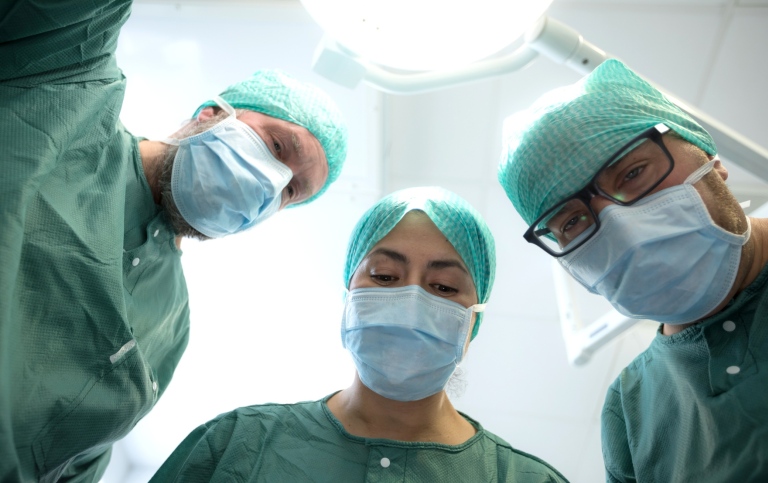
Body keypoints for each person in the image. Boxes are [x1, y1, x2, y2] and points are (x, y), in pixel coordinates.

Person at [0, 1, 347, 481]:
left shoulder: (169, 326)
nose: (271, 183)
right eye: (275, 146)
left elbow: (73, 463)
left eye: (290, 191)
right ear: (213, 113)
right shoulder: (71, 93)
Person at [149, 187, 569, 483]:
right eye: (385, 275)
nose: (410, 301)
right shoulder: (236, 444)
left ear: (472, 322)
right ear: (349, 295)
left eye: (443, 288)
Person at [497, 59, 768, 482]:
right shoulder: (631, 410)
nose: (620, 226)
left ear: (708, 157)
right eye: (571, 222)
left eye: (634, 172)